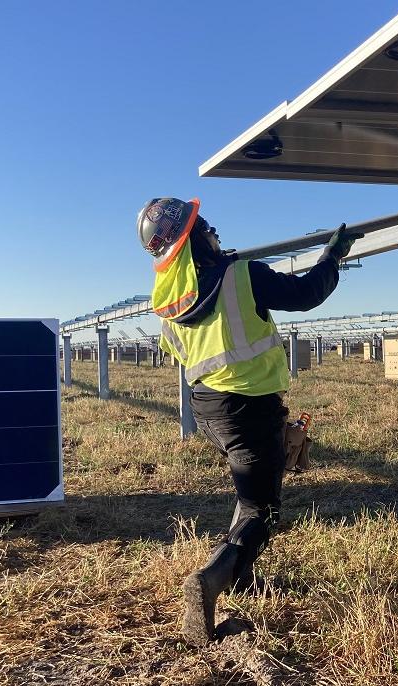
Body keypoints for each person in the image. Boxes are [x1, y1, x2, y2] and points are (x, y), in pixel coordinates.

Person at [138, 197, 356, 646]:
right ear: (198, 237)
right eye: (208, 227)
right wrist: (333, 256)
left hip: (208, 409)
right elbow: (306, 294)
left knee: (249, 493)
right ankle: (211, 579)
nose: (215, 232)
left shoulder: (171, 303)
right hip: (249, 407)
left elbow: (178, 353)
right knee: (264, 510)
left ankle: (239, 574)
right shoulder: (243, 276)